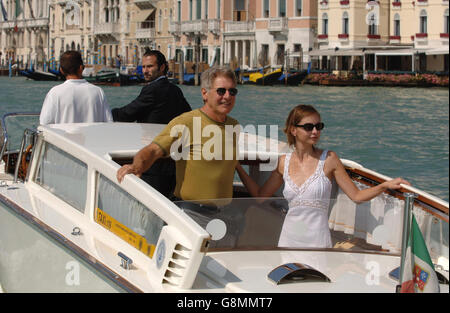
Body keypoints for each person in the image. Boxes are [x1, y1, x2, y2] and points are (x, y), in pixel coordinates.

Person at [236, 104, 410, 249]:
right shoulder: (283, 162)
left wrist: (384, 185)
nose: (315, 131)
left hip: (318, 242)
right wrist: (237, 166)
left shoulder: (329, 159)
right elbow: (261, 197)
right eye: (309, 127)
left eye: (318, 126)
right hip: (289, 240)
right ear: (293, 130)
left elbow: (357, 196)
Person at [116, 66, 240, 205]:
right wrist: (136, 167)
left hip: (225, 213)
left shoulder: (233, 126)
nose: (227, 96)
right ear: (205, 93)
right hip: (193, 213)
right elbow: (153, 150)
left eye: (232, 91)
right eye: (221, 91)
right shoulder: (186, 122)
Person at [112, 49, 192, 198]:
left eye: (150, 67)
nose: (145, 71)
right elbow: (188, 117)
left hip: (155, 162)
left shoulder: (152, 90)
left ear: (162, 67)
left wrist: (105, 113)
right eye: (143, 67)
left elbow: (127, 114)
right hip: (174, 161)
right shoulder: (176, 90)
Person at [40, 50, 113, 125]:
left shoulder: (54, 93)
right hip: (92, 136)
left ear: (61, 70)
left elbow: (45, 123)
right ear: (81, 68)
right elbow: (108, 121)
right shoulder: (98, 92)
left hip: (65, 136)